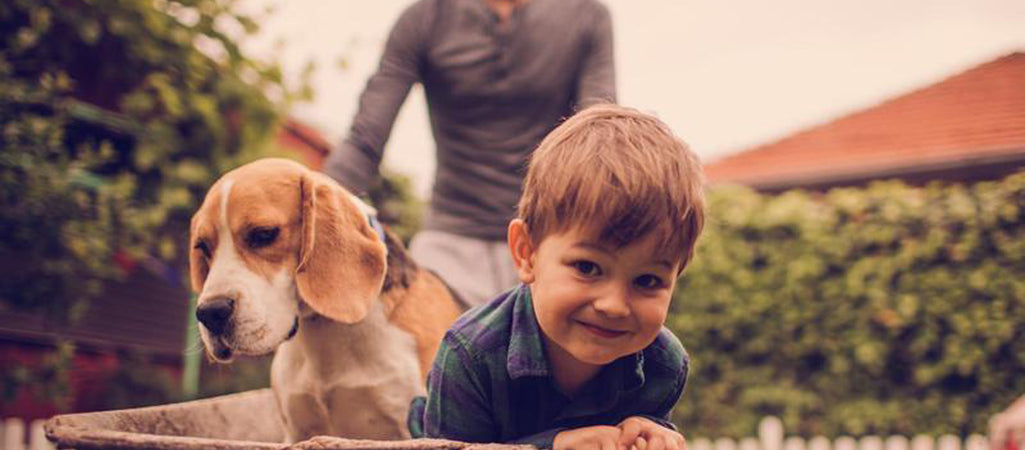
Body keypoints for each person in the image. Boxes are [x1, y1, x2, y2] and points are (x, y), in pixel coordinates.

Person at [408, 104, 705, 449]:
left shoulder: (663, 364)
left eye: (647, 281)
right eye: (587, 268)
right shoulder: (470, 355)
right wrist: (554, 445)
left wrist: (654, 431)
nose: (614, 305)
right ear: (527, 252)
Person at [322, 0, 616, 306]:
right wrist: (318, 212)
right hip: (448, 246)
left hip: (547, 243)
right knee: (435, 344)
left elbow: (598, 137)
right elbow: (365, 140)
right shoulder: (424, 18)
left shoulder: (587, 17)